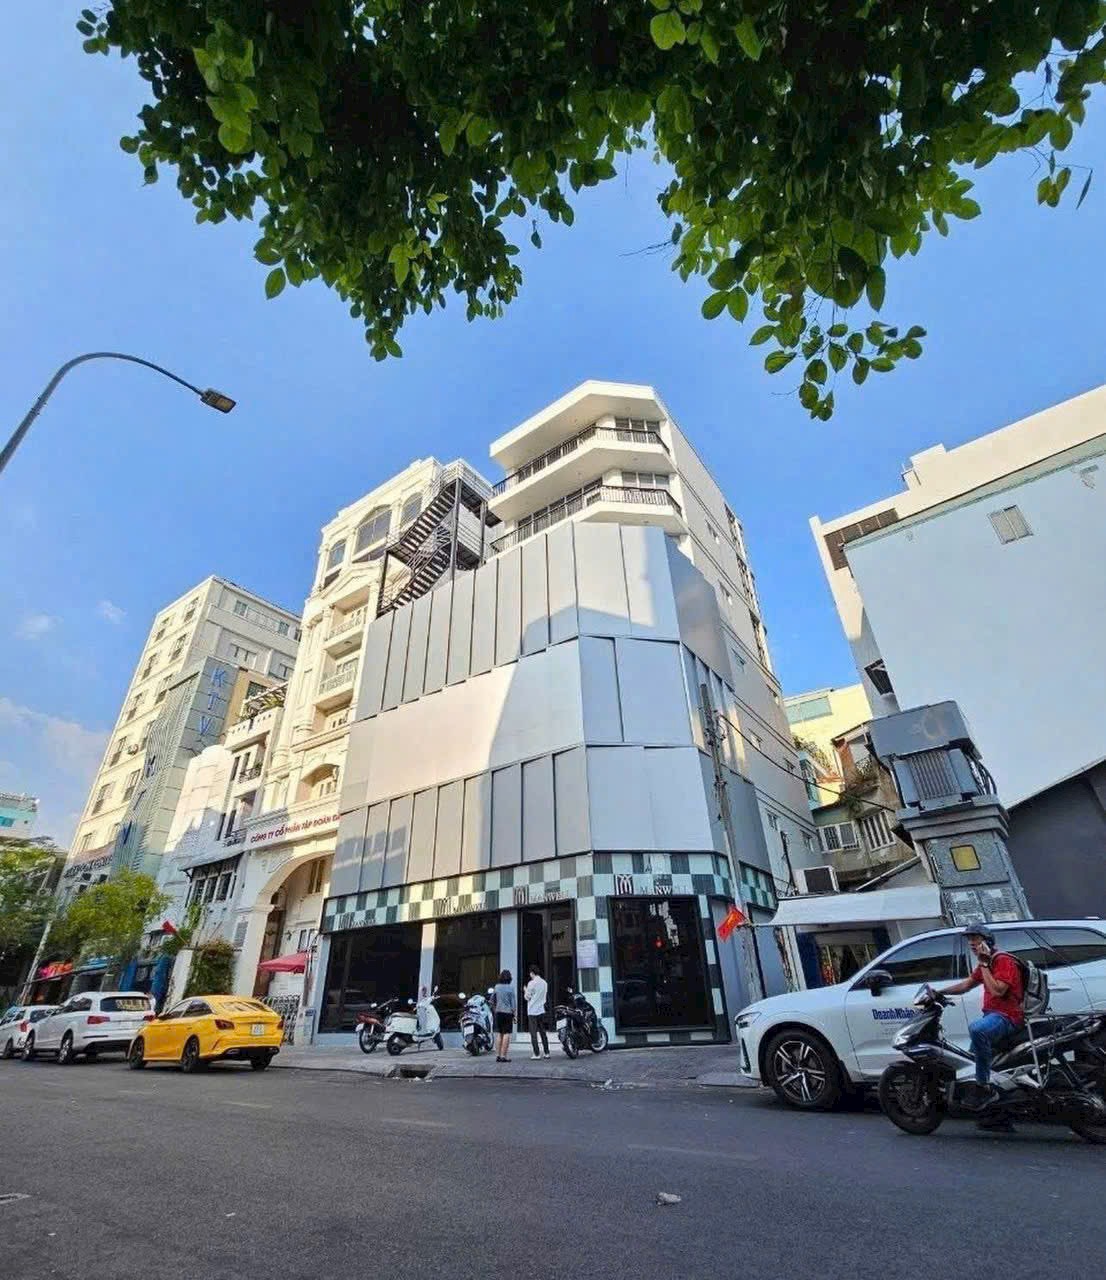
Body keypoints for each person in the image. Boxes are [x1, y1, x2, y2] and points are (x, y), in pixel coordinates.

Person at [939, 925, 1024, 1106]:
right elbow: (966, 985)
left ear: (988, 941)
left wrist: (984, 964)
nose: (971, 943)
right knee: (970, 1061)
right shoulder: (987, 963)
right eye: (969, 940)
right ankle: (991, 1110)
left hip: (1007, 1017)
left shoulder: (1002, 960)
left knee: (978, 1030)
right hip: (993, 1016)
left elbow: (998, 991)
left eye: (976, 939)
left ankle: (984, 1087)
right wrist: (939, 993)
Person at [523, 964, 550, 1059]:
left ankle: (536, 1054)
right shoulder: (544, 983)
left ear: (532, 973)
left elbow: (527, 997)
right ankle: (547, 1052)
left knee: (533, 1033)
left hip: (532, 1011)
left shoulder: (531, 983)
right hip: (541, 1009)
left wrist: (525, 990)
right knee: (543, 1032)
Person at [491, 969, 516, 1063]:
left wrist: (495, 1009)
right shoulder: (511, 988)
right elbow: (513, 1004)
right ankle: (503, 1056)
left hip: (498, 1012)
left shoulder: (497, 987)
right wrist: (514, 1014)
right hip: (508, 1013)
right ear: (509, 978)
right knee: (506, 1034)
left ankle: (498, 1055)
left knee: (499, 1034)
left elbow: (492, 1000)